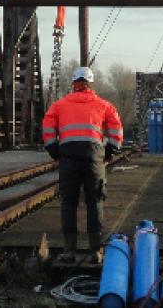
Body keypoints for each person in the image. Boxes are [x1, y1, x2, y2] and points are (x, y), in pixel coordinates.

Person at [41, 66, 124, 262]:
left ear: (73, 83)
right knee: (95, 203)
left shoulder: (59, 106)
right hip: (93, 158)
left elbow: (47, 126)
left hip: (68, 158)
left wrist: (53, 150)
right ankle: (96, 251)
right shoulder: (104, 105)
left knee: (68, 203)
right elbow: (116, 129)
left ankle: (69, 251)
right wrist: (110, 151)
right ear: (90, 83)